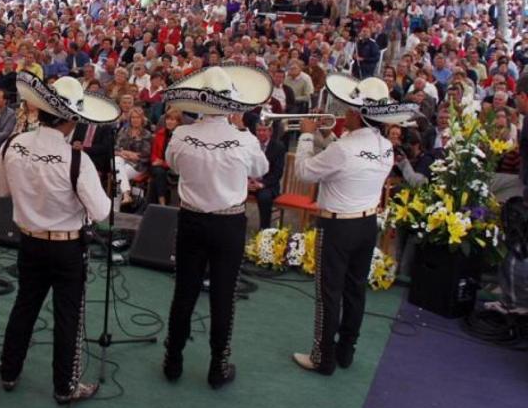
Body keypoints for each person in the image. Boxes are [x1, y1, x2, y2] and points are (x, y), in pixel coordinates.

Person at [0, 72, 117, 404]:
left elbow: (1, 191)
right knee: (68, 315)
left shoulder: (12, 144)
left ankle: (9, 371)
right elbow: (103, 212)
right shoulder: (77, 159)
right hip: (65, 247)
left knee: (25, 305)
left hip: (30, 241)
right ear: (71, 120)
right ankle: (64, 386)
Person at [291, 74, 420, 375]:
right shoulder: (385, 146)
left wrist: (307, 135)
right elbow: (349, 158)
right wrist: (329, 137)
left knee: (329, 292)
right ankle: (345, 351)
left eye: (350, 109)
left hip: (337, 227)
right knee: (354, 290)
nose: (345, 113)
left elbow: (305, 173)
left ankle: (323, 357)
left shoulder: (345, 148)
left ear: (359, 115)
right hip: (366, 224)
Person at [162, 65, 271, 388]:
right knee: (223, 296)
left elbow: (172, 164)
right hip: (229, 223)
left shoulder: (181, 134)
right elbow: (261, 169)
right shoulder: (243, 139)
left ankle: (173, 360)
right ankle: (217, 366)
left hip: (192, 219)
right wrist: (241, 131)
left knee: (184, 291)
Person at [251, 119, 287, 229]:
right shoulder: (251, 144)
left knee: (264, 197)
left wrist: (261, 184)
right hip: (250, 181)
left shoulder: (278, 147)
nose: (261, 133)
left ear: (270, 132)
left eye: (264, 130)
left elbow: (277, 173)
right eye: (258, 130)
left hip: (268, 184)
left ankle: (264, 229)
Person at [113, 106, 152, 207]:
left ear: (142, 119)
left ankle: (116, 208)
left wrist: (126, 153)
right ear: (130, 119)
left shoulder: (146, 134)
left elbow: (145, 155)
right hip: (121, 160)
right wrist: (126, 153)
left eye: (138, 117)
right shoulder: (124, 130)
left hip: (137, 165)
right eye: (133, 117)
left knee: (117, 174)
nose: (135, 120)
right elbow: (116, 148)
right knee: (116, 160)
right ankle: (126, 194)